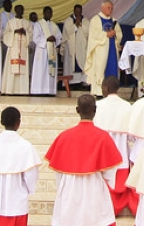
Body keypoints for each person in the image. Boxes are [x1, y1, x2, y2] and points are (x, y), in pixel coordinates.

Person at [44, 95, 125, 226]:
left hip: (69, 188)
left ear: (77, 110)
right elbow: (110, 172)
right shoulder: (103, 137)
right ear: (95, 110)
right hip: (94, 187)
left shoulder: (64, 137)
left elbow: (58, 172)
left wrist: (63, 187)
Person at [0, 106, 41, 226]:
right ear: (18, 123)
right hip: (16, 204)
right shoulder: (26, 147)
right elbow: (30, 178)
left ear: (1, 122)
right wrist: (29, 190)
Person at [95, 76, 138, 217]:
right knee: (119, 180)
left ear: (106, 88)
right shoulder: (127, 106)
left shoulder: (98, 106)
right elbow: (132, 135)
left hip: (103, 154)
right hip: (121, 155)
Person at [85, 0, 123, 97]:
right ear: (102, 8)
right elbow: (93, 35)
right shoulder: (96, 20)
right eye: (108, 8)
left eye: (111, 8)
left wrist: (115, 35)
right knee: (100, 70)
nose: (110, 10)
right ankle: (99, 92)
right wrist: (106, 34)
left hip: (112, 50)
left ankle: (112, 92)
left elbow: (119, 34)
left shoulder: (113, 20)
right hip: (100, 51)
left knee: (112, 69)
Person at [31, 6, 62, 97]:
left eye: (51, 13)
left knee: (50, 70)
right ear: (43, 13)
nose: (49, 14)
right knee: (41, 71)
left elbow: (59, 37)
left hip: (51, 51)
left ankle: (50, 90)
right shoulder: (38, 24)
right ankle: (39, 90)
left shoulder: (54, 25)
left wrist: (55, 39)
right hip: (42, 51)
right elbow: (35, 38)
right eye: (48, 12)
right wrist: (46, 39)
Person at [2, 5, 33, 95]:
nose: (20, 11)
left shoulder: (27, 23)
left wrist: (25, 33)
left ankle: (22, 91)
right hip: (13, 48)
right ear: (15, 10)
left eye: (21, 10)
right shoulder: (10, 22)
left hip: (23, 48)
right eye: (18, 10)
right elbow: (5, 34)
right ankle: (10, 90)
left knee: (23, 69)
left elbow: (31, 35)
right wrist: (15, 32)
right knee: (12, 69)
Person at [62, 4, 89, 90]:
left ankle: (82, 82)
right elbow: (67, 32)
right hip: (72, 47)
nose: (78, 13)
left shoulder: (85, 20)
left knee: (82, 64)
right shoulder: (69, 20)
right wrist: (75, 26)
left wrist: (81, 25)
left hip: (82, 47)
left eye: (79, 11)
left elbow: (88, 32)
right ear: (74, 11)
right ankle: (72, 83)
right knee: (71, 64)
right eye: (76, 11)